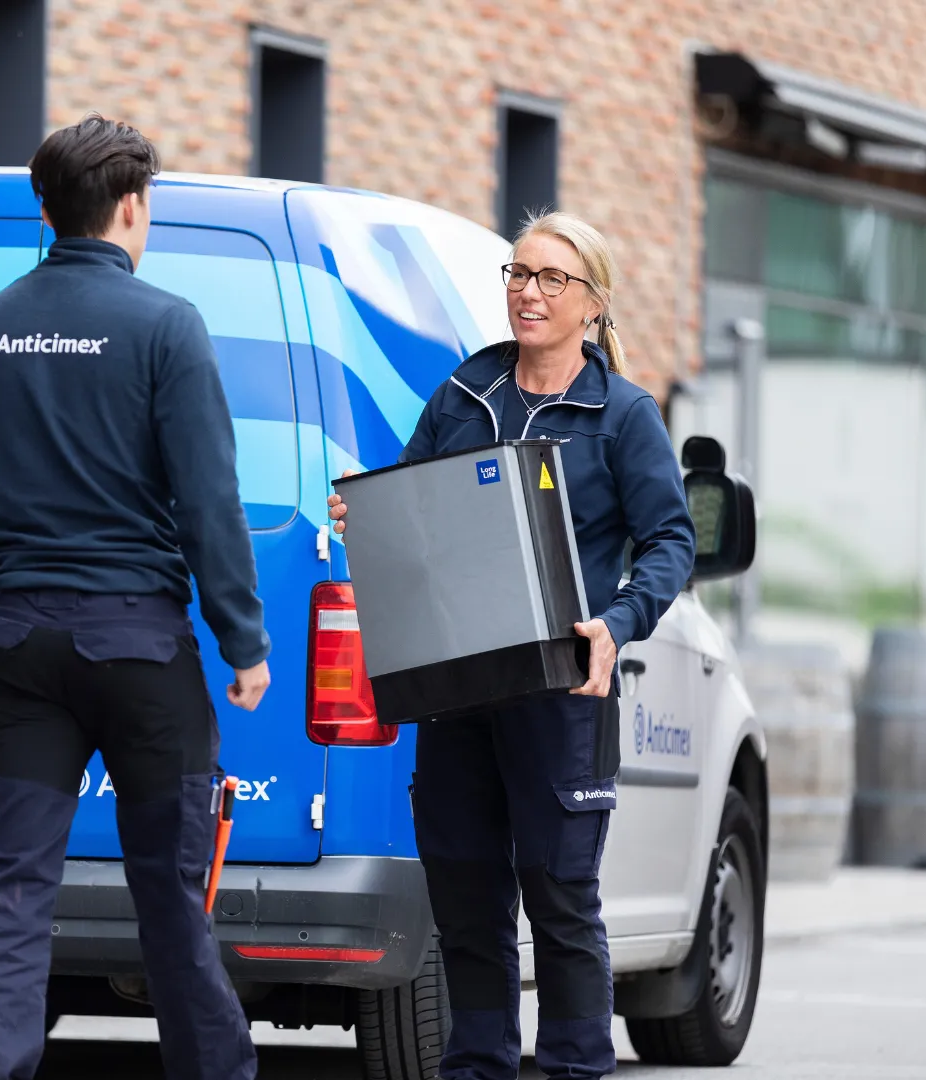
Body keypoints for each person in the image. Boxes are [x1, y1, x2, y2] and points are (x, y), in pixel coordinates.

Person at [327, 212, 696, 1080]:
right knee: (466, 901)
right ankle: (477, 1066)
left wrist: (618, 623)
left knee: (561, 901)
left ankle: (575, 1065)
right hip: (457, 687)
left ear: (593, 303)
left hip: (561, 692)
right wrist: (366, 516)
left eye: (551, 279)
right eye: (519, 274)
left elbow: (671, 541)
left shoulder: (623, 416)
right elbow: (414, 505)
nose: (529, 292)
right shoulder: (465, 392)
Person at [0, 114, 270, 1080]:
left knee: (11, 893)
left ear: (45, 211)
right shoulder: (166, 325)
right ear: (131, 206)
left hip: (21, 645)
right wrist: (243, 640)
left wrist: (20, 586)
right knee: (169, 895)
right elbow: (208, 498)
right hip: (140, 653)